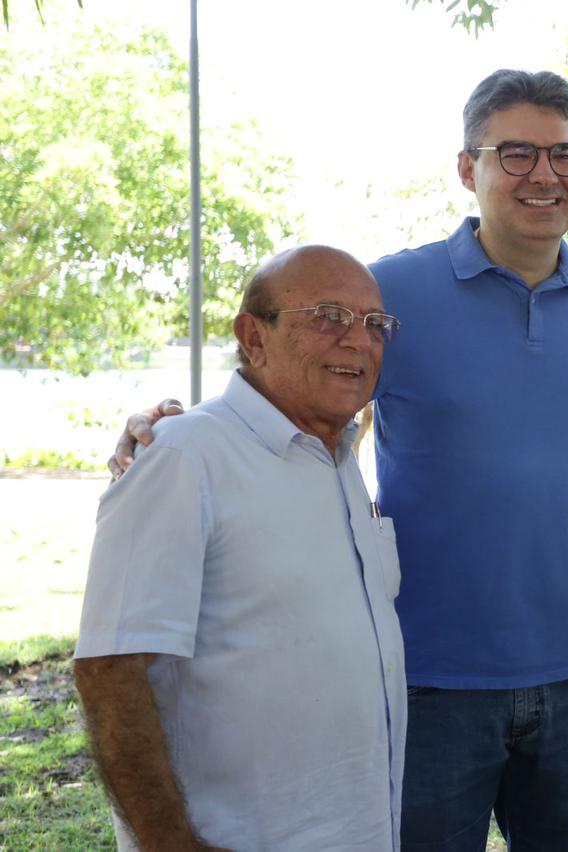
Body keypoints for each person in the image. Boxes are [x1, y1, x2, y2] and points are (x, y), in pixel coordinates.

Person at [110, 70, 568, 852]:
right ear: (469, 169)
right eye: (517, 153)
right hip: (425, 679)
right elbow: (287, 392)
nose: (544, 174)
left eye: (564, 155)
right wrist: (168, 424)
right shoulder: (394, 290)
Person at [76, 246, 406, 852]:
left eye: (375, 324)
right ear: (254, 337)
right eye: (330, 316)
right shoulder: (182, 456)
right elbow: (108, 670)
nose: (359, 342)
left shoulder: (339, 459)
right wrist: (169, 843)